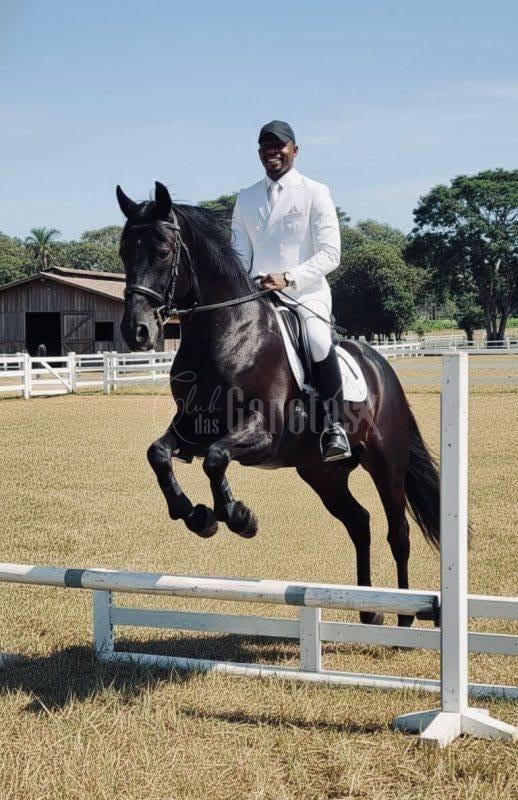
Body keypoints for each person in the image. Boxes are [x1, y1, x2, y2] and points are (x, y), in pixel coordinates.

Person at [231, 120, 350, 461]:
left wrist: (289, 277)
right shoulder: (246, 198)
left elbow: (331, 253)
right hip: (259, 296)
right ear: (259, 153)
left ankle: (335, 426)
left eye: (279, 145)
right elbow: (238, 255)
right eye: (266, 146)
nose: (272, 151)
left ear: (294, 150)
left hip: (305, 293)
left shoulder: (315, 191)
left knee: (317, 340)